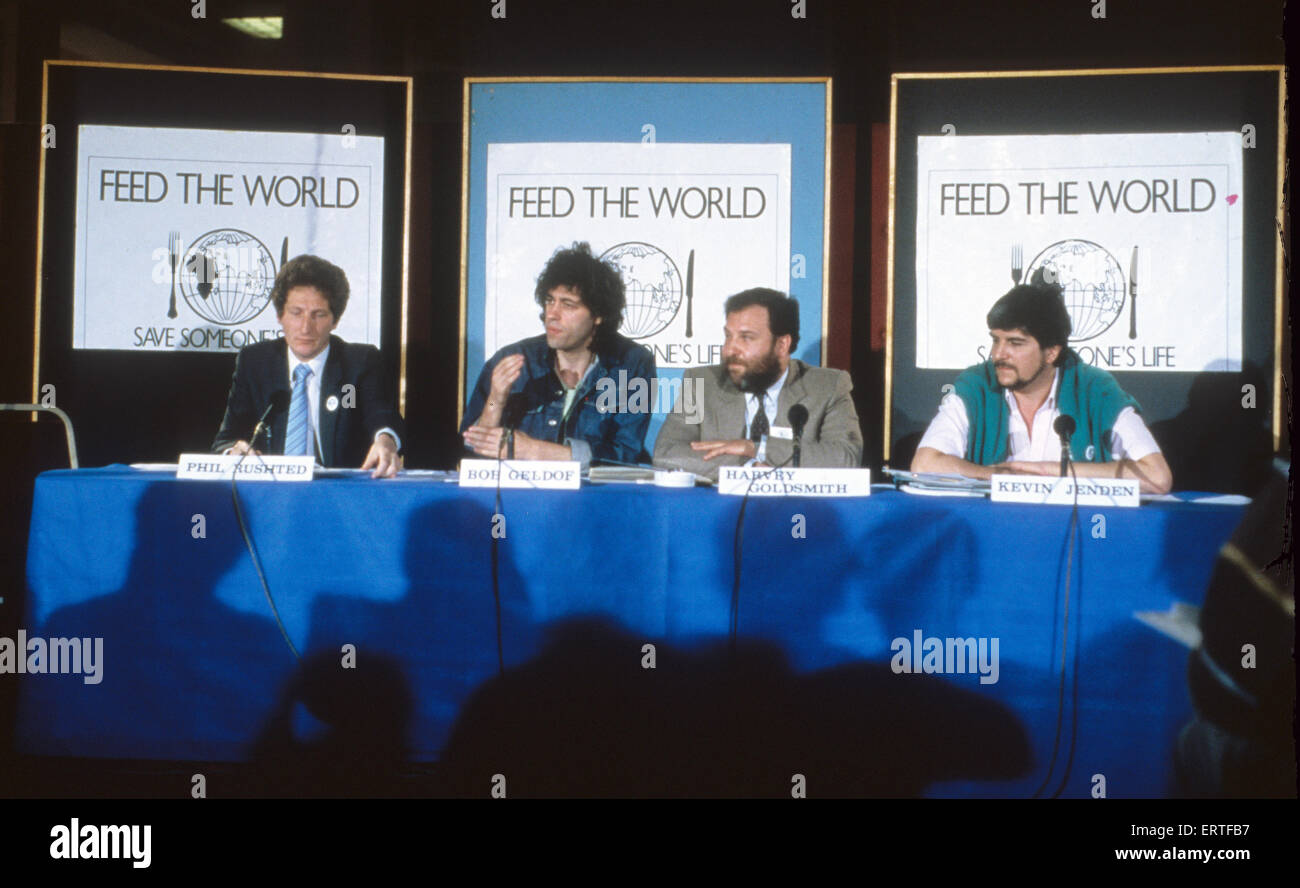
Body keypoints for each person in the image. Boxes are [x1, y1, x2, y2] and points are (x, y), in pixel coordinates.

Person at [911, 274, 1173, 494]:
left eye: (1015, 343)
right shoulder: (978, 385)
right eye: (995, 340)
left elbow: (1157, 477)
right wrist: (994, 476)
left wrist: (1050, 471)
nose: (998, 354)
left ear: (1051, 353)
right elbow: (924, 464)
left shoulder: (1095, 389)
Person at [461, 242, 656, 467]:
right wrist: (496, 400)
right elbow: (472, 454)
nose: (552, 314)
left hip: (593, 497)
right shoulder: (513, 357)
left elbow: (625, 454)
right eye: (549, 300)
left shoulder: (632, 364)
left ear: (598, 315)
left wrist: (535, 451)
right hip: (518, 495)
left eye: (568, 305)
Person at [212, 254, 405, 478]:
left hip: (337, 494)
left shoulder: (357, 364)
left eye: (318, 315)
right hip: (270, 492)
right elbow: (227, 438)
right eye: (296, 313)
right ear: (279, 316)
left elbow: (380, 415)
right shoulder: (256, 363)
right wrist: (234, 451)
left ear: (335, 320)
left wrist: (385, 440)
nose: (305, 328)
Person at [653, 288, 863, 480]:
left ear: (781, 345)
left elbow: (845, 459)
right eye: (728, 336)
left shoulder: (827, 387)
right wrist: (748, 469)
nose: (730, 349)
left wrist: (756, 448)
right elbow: (667, 453)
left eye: (746, 338)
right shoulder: (701, 383)